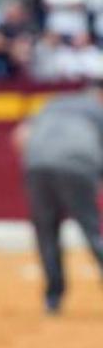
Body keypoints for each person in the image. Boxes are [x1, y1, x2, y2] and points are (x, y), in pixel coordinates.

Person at [14, 82, 103, 314]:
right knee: (92, 230)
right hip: (77, 166)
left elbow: (21, 135)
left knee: (46, 232)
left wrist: (32, 165)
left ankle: (53, 299)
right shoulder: (97, 110)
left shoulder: (53, 104)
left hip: (37, 166)